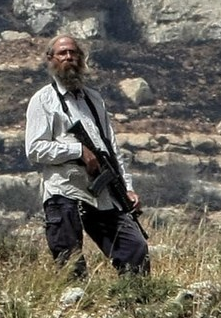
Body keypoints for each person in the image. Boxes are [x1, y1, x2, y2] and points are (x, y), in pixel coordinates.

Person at [25, 34, 149, 278]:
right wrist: (78, 151)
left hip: (102, 194)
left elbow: (111, 148)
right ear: (50, 59)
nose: (69, 58)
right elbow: (35, 149)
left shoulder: (94, 99)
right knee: (70, 263)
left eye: (74, 53)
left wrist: (128, 188)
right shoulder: (43, 100)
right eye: (62, 53)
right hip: (65, 191)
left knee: (135, 249)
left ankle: (135, 302)